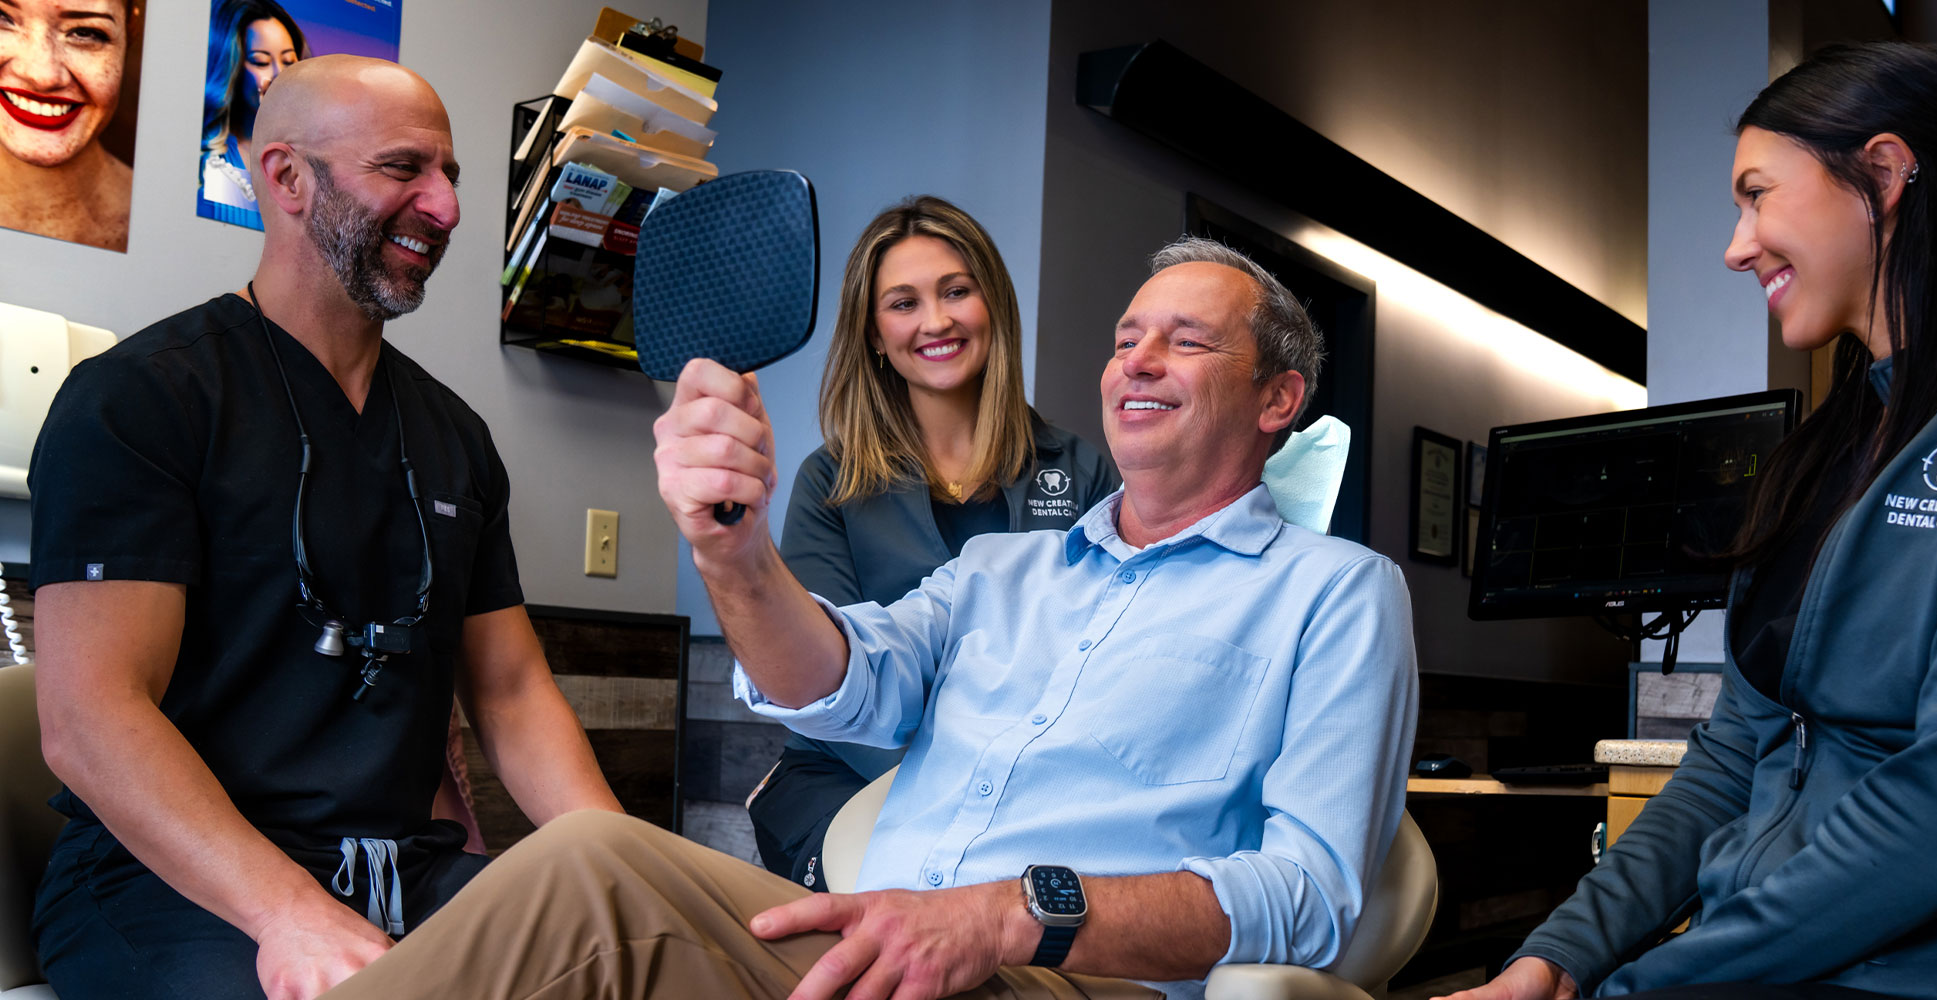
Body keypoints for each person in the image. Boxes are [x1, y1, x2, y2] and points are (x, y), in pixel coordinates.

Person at [289, 236, 1416, 1000]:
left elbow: (1310, 896)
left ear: (1276, 400)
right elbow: (837, 677)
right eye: (1126, 337)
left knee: (591, 875)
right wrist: (731, 546)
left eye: (1186, 340)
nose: (1136, 361)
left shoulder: (1335, 595)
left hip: (1053, 978)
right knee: (589, 869)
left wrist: (1010, 915)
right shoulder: (1001, 572)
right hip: (867, 948)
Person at [28, 55, 621, 1000]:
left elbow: (510, 696)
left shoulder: (456, 439)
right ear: (288, 178)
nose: (447, 209)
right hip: (180, 887)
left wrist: (620, 873)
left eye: (451, 178)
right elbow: (91, 720)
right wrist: (287, 913)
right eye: (403, 169)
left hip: (402, 878)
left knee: (638, 967)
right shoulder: (142, 400)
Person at [1439, 42, 1937, 1000]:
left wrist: (1650, 984)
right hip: (1755, 961)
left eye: (1757, 194)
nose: (1736, 245)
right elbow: (1729, 759)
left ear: (1883, 171)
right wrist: (1557, 957)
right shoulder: (1820, 460)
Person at [749, 195, 1119, 888]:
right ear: (873, 334)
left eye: (956, 292)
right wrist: (957, 795)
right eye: (903, 302)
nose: (937, 320)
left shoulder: (1079, 469)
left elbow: (1102, 657)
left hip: (1030, 787)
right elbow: (826, 680)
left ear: (993, 307)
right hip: (849, 777)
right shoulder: (830, 481)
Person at [0, 0, 135, 251]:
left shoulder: (169, 224)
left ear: (129, 33)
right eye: (2, 17)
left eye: (85, 32)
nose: (43, 76)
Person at [197, 0, 307, 228]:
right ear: (231, 67)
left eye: (289, 62)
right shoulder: (211, 164)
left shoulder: (312, 162)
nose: (280, 74)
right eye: (261, 61)